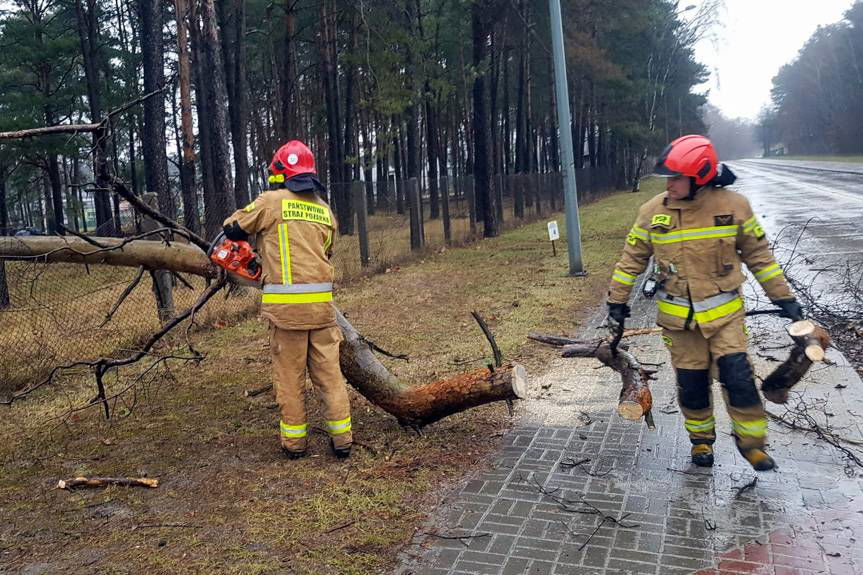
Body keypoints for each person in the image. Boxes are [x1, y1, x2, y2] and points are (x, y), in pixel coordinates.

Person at [607, 135, 803, 471]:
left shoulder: (733, 207)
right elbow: (631, 260)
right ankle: (701, 442)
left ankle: (753, 446)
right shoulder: (652, 212)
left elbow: (759, 256)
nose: (669, 185)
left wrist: (783, 296)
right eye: (667, 178)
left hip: (726, 320)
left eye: (676, 178)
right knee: (692, 387)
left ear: (700, 177)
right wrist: (616, 302)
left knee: (739, 380)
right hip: (679, 325)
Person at [223, 140, 352, 460]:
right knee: (330, 376)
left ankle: (295, 444)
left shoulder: (270, 201)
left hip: (287, 313)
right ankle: (343, 440)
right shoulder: (324, 210)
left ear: (279, 174)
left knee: (290, 378)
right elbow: (327, 252)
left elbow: (233, 227)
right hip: (322, 310)